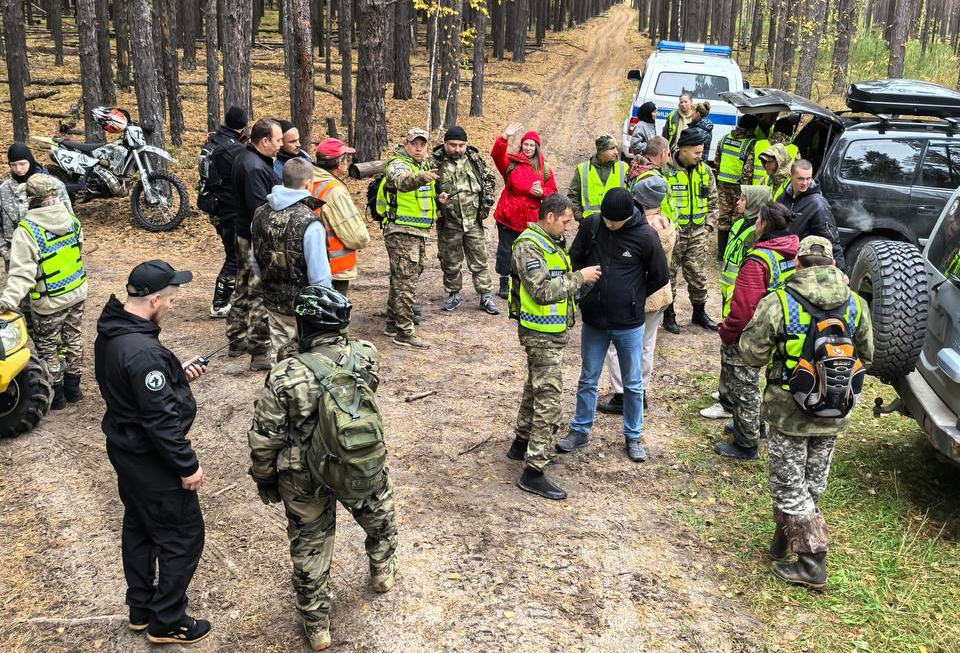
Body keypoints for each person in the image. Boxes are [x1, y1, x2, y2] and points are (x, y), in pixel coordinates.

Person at [248, 286, 397, 651]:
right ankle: (382, 572)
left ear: (304, 324)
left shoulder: (285, 374)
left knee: (310, 545)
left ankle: (317, 627)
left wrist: (265, 478)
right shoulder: (366, 354)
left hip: (303, 475)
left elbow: (265, 437)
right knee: (379, 514)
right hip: (356, 459)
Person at [740, 236, 874, 590]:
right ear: (833, 265)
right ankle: (784, 541)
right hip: (834, 409)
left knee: (789, 486)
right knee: (811, 484)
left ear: (797, 264)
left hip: (788, 412)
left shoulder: (779, 302)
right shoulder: (856, 304)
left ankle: (813, 562)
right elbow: (868, 355)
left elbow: (751, 353)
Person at [94, 260, 211, 645]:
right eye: (171, 299)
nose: (173, 306)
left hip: (126, 453)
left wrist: (176, 375)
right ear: (155, 300)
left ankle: (141, 609)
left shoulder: (113, 333)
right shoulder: (143, 352)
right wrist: (187, 466)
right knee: (183, 536)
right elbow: (160, 421)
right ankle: (168, 620)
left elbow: (140, 390)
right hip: (151, 461)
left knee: (141, 527)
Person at [558, 186, 668, 463]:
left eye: (613, 222)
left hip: (629, 323)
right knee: (588, 378)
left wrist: (633, 297)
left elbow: (659, 276)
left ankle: (633, 436)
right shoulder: (593, 225)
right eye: (606, 219)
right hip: (594, 319)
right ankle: (580, 429)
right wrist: (584, 289)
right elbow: (575, 257)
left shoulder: (645, 236)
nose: (609, 224)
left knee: (633, 383)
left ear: (627, 217)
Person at [505, 194, 600, 500]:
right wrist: (579, 277)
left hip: (550, 331)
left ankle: (521, 444)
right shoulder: (529, 246)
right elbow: (542, 291)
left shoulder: (550, 242)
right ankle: (534, 470)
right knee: (550, 400)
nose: (568, 227)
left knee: (535, 389)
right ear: (549, 217)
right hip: (540, 333)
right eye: (565, 221)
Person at [712, 203, 797, 458]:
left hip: (753, 333)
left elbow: (744, 308)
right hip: (783, 329)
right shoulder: (792, 252)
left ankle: (746, 443)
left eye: (758, 219)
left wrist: (728, 333)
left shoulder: (758, 260)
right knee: (762, 382)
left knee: (743, 387)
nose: (755, 223)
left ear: (764, 224)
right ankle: (753, 424)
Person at [0, 174, 87, 409]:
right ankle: (74, 390)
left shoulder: (27, 231)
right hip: (76, 292)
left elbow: (22, 273)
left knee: (48, 345)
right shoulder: (72, 221)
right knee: (73, 338)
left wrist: (8, 301)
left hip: (49, 301)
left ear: (30, 199)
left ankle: (57, 398)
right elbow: (77, 250)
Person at [598, 175, 677, 415]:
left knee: (616, 345)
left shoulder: (642, 229)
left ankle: (622, 394)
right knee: (646, 346)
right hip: (660, 295)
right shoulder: (667, 224)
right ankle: (640, 392)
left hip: (638, 296)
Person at [701, 185, 771, 422]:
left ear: (755, 204)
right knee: (728, 349)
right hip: (730, 294)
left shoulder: (754, 233)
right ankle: (727, 390)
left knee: (734, 351)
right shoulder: (741, 224)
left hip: (740, 297)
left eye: (743, 199)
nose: (738, 202)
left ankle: (727, 401)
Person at [252, 157, 331, 361]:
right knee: (305, 363)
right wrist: (324, 309)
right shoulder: (309, 222)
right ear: (308, 184)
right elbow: (320, 277)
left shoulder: (259, 214)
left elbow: (255, 261)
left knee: (279, 357)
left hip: (272, 301)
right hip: (303, 309)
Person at [375, 128, 439, 348]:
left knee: (402, 279)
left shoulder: (420, 166)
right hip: (401, 231)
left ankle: (392, 323)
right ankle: (404, 331)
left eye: (423, 144)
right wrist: (421, 178)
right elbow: (402, 182)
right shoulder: (399, 164)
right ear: (406, 144)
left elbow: (419, 198)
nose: (419, 148)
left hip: (416, 231)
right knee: (406, 282)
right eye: (414, 144)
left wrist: (439, 199)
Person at [230, 118, 283, 370]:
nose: (281, 145)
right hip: (254, 238)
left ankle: (237, 339)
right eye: (278, 140)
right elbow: (260, 211)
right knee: (258, 291)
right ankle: (260, 351)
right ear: (264, 141)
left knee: (242, 286)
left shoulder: (248, 157)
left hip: (243, 233)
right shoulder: (254, 168)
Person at [429, 125, 499, 314]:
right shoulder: (434, 162)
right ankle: (453, 294)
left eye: (461, 145)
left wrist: (486, 203)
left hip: (473, 221)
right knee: (450, 261)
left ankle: (485, 296)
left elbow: (489, 179)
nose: (457, 149)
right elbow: (423, 190)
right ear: (445, 143)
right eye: (453, 145)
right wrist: (437, 199)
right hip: (449, 222)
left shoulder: (474, 159)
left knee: (480, 260)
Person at [490, 122, 558, 299]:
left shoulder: (544, 169)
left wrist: (542, 192)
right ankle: (504, 283)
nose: (528, 148)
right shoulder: (511, 163)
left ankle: (526, 283)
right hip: (508, 216)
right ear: (521, 145)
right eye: (525, 144)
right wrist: (504, 137)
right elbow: (496, 155)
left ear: (537, 148)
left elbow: (553, 192)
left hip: (531, 219)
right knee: (506, 251)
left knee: (529, 252)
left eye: (531, 145)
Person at [663, 127, 720, 333]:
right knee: (668, 276)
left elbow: (713, 203)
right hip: (673, 236)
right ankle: (668, 315)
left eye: (701, 152)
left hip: (697, 234)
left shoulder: (705, 172)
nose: (700, 156)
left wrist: (708, 227)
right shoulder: (665, 171)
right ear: (683, 150)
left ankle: (699, 313)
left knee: (698, 275)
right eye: (697, 152)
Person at [201, 106, 248, 318]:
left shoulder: (213, 140)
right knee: (234, 256)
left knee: (236, 254)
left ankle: (237, 295)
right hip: (229, 208)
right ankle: (219, 304)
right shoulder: (233, 149)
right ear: (243, 125)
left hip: (216, 205)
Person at [310, 137, 370, 296]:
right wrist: (364, 238)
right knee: (335, 308)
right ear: (338, 163)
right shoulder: (334, 192)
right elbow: (355, 235)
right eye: (346, 158)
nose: (348, 162)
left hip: (315, 264)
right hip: (334, 268)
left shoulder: (310, 182)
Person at [1, 143, 73, 266]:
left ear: (30, 161)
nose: (18, 169)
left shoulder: (54, 185)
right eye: (13, 165)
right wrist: (4, 251)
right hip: (18, 257)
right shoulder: (4, 190)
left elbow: (69, 219)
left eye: (22, 164)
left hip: (52, 255)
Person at [776, 160, 846, 268]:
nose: (805, 183)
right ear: (790, 176)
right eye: (800, 179)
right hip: (779, 260)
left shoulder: (818, 204)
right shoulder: (782, 198)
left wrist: (841, 271)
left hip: (803, 265)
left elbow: (831, 240)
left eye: (808, 178)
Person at [714, 114, 759, 259]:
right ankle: (731, 252)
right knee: (737, 219)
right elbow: (747, 170)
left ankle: (720, 253)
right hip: (739, 187)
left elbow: (717, 161)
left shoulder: (724, 139)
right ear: (752, 128)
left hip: (722, 184)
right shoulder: (751, 143)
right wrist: (747, 190)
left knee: (723, 217)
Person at [567, 134, 629, 222]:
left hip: (618, 222)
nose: (616, 152)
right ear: (601, 151)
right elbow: (573, 196)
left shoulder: (624, 167)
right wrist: (581, 218)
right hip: (591, 223)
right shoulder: (582, 169)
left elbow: (631, 195)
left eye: (616, 148)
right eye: (612, 148)